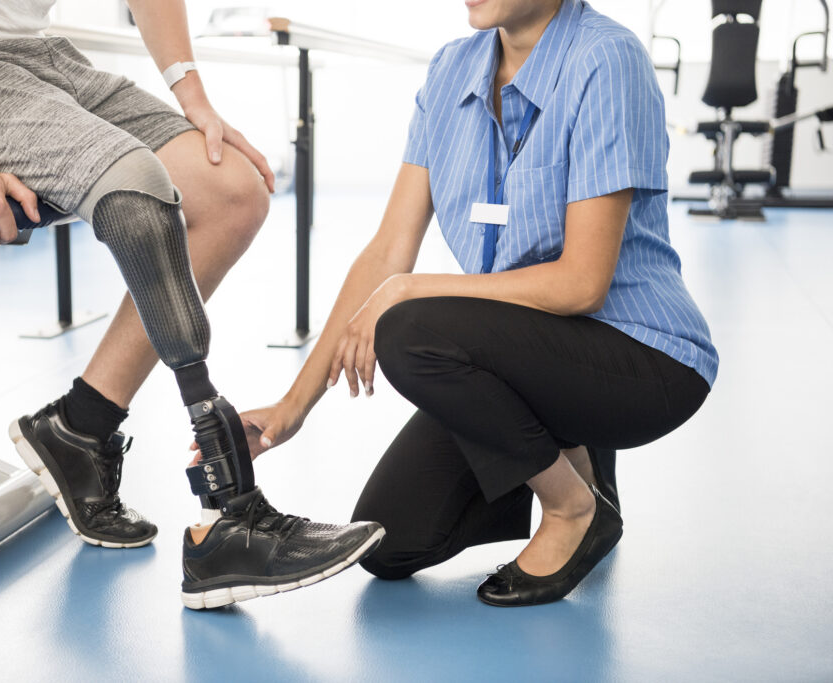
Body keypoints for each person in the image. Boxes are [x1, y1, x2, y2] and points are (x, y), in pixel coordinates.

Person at [0, 0, 384, 609]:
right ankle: (231, 514)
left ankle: (80, 429)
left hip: (35, 58)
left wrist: (193, 97)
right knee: (134, 188)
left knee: (230, 191)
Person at [231, 0, 718, 607]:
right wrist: (291, 408)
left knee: (409, 329)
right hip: (528, 353)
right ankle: (571, 460)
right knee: (390, 543)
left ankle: (573, 508)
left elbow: (580, 286)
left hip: (640, 357)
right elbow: (388, 252)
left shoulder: (606, 59)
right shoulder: (452, 70)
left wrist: (410, 289)